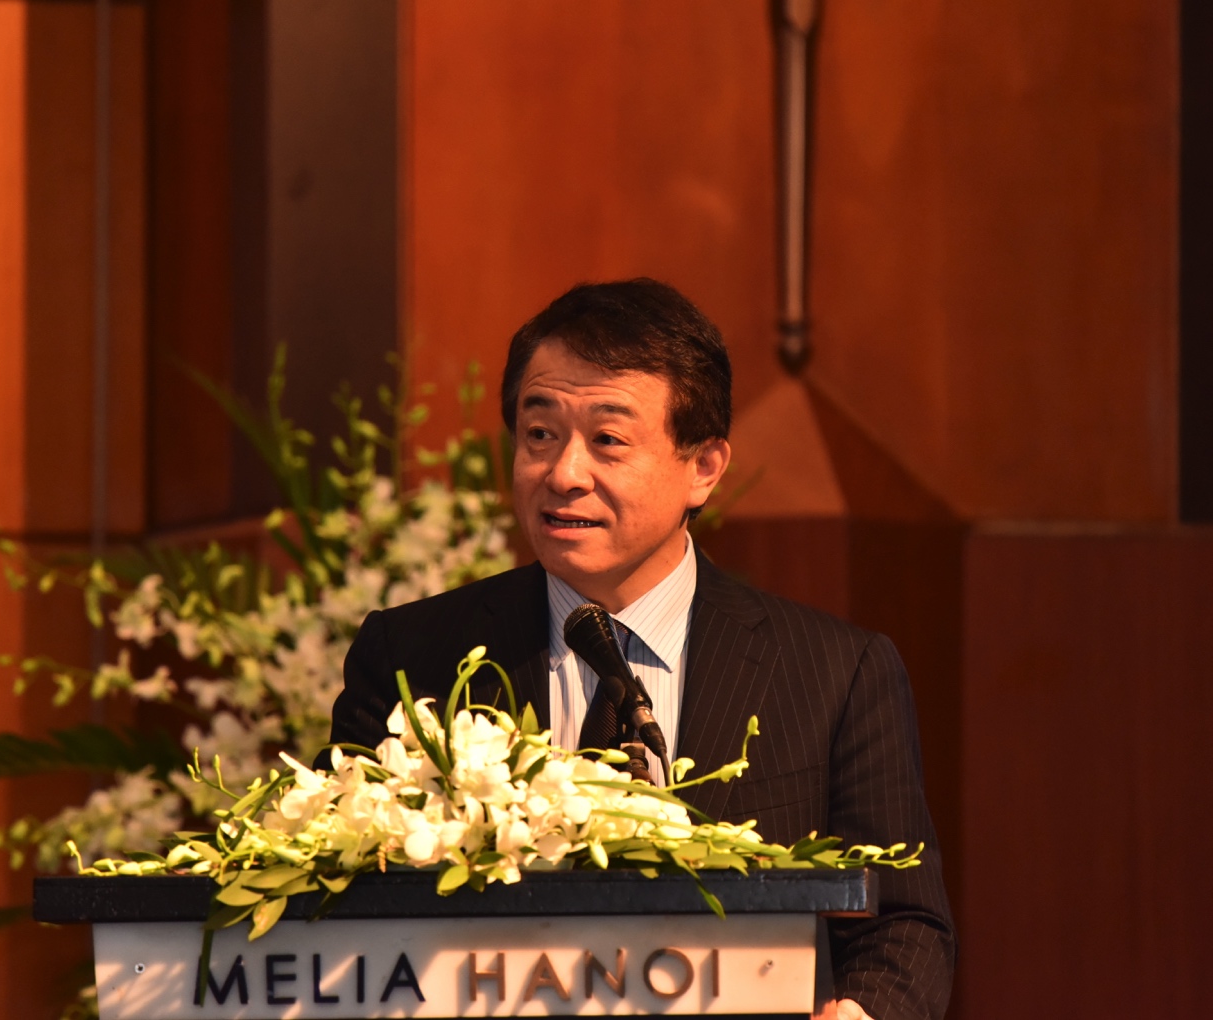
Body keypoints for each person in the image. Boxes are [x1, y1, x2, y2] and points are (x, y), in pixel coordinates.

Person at [324, 279, 955, 1020]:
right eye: (539, 434)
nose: (564, 474)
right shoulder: (412, 657)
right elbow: (339, 906)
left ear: (703, 468)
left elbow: (903, 921)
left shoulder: (834, 674)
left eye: (608, 441)